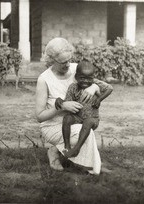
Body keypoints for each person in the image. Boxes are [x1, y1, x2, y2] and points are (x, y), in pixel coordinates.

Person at [35, 37, 102, 174]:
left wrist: (94, 87)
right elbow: (40, 117)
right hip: (52, 125)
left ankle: (59, 151)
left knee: (85, 128)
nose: (67, 65)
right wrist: (62, 107)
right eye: (63, 62)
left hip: (77, 119)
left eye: (69, 60)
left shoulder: (76, 69)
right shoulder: (44, 79)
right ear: (51, 61)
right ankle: (92, 167)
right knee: (84, 132)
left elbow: (103, 86)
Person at [55, 60, 113, 158]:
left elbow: (109, 89)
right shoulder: (73, 87)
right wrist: (59, 100)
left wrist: (99, 99)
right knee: (67, 118)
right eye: (82, 78)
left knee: (88, 122)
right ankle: (67, 146)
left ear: (93, 77)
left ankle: (77, 148)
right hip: (77, 117)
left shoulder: (95, 84)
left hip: (92, 119)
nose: (86, 81)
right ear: (76, 77)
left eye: (89, 78)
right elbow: (68, 102)